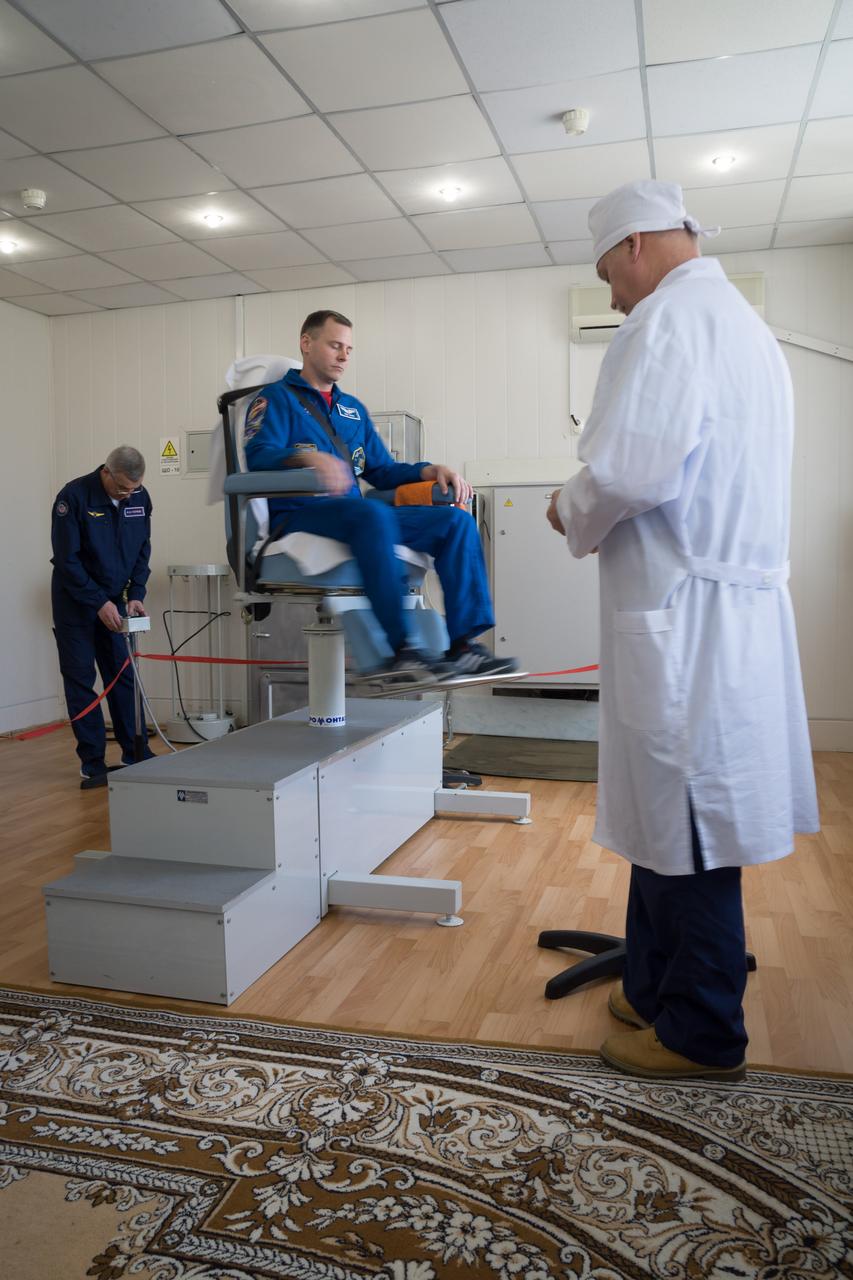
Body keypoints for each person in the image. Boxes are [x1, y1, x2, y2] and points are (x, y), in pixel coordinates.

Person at [547, 180, 818, 1081]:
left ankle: (701, 1031)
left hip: (684, 615)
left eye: (607, 277)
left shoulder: (663, 322)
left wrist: (565, 506)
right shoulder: (741, 327)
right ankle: (652, 984)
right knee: (666, 812)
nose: (613, 297)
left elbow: (627, 470)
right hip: (716, 608)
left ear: (631, 248)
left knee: (689, 822)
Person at [243, 309, 516, 685]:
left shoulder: (351, 410)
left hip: (354, 514)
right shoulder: (275, 399)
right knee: (372, 513)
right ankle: (401, 648)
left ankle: (464, 647)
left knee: (455, 521)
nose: (343, 356)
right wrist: (305, 456)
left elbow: (382, 471)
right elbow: (257, 456)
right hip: (300, 514)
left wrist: (429, 470)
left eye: (349, 349)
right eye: (335, 345)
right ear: (306, 344)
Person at [51, 446, 153, 789]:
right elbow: (67, 560)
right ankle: (92, 762)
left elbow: (142, 549)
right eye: (122, 488)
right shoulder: (73, 497)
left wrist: (136, 593)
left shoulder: (139, 497)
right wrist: (98, 602)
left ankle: (135, 752)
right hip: (76, 603)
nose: (128, 494)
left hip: (115, 600)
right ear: (106, 473)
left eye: (134, 489)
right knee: (81, 679)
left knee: (122, 674)